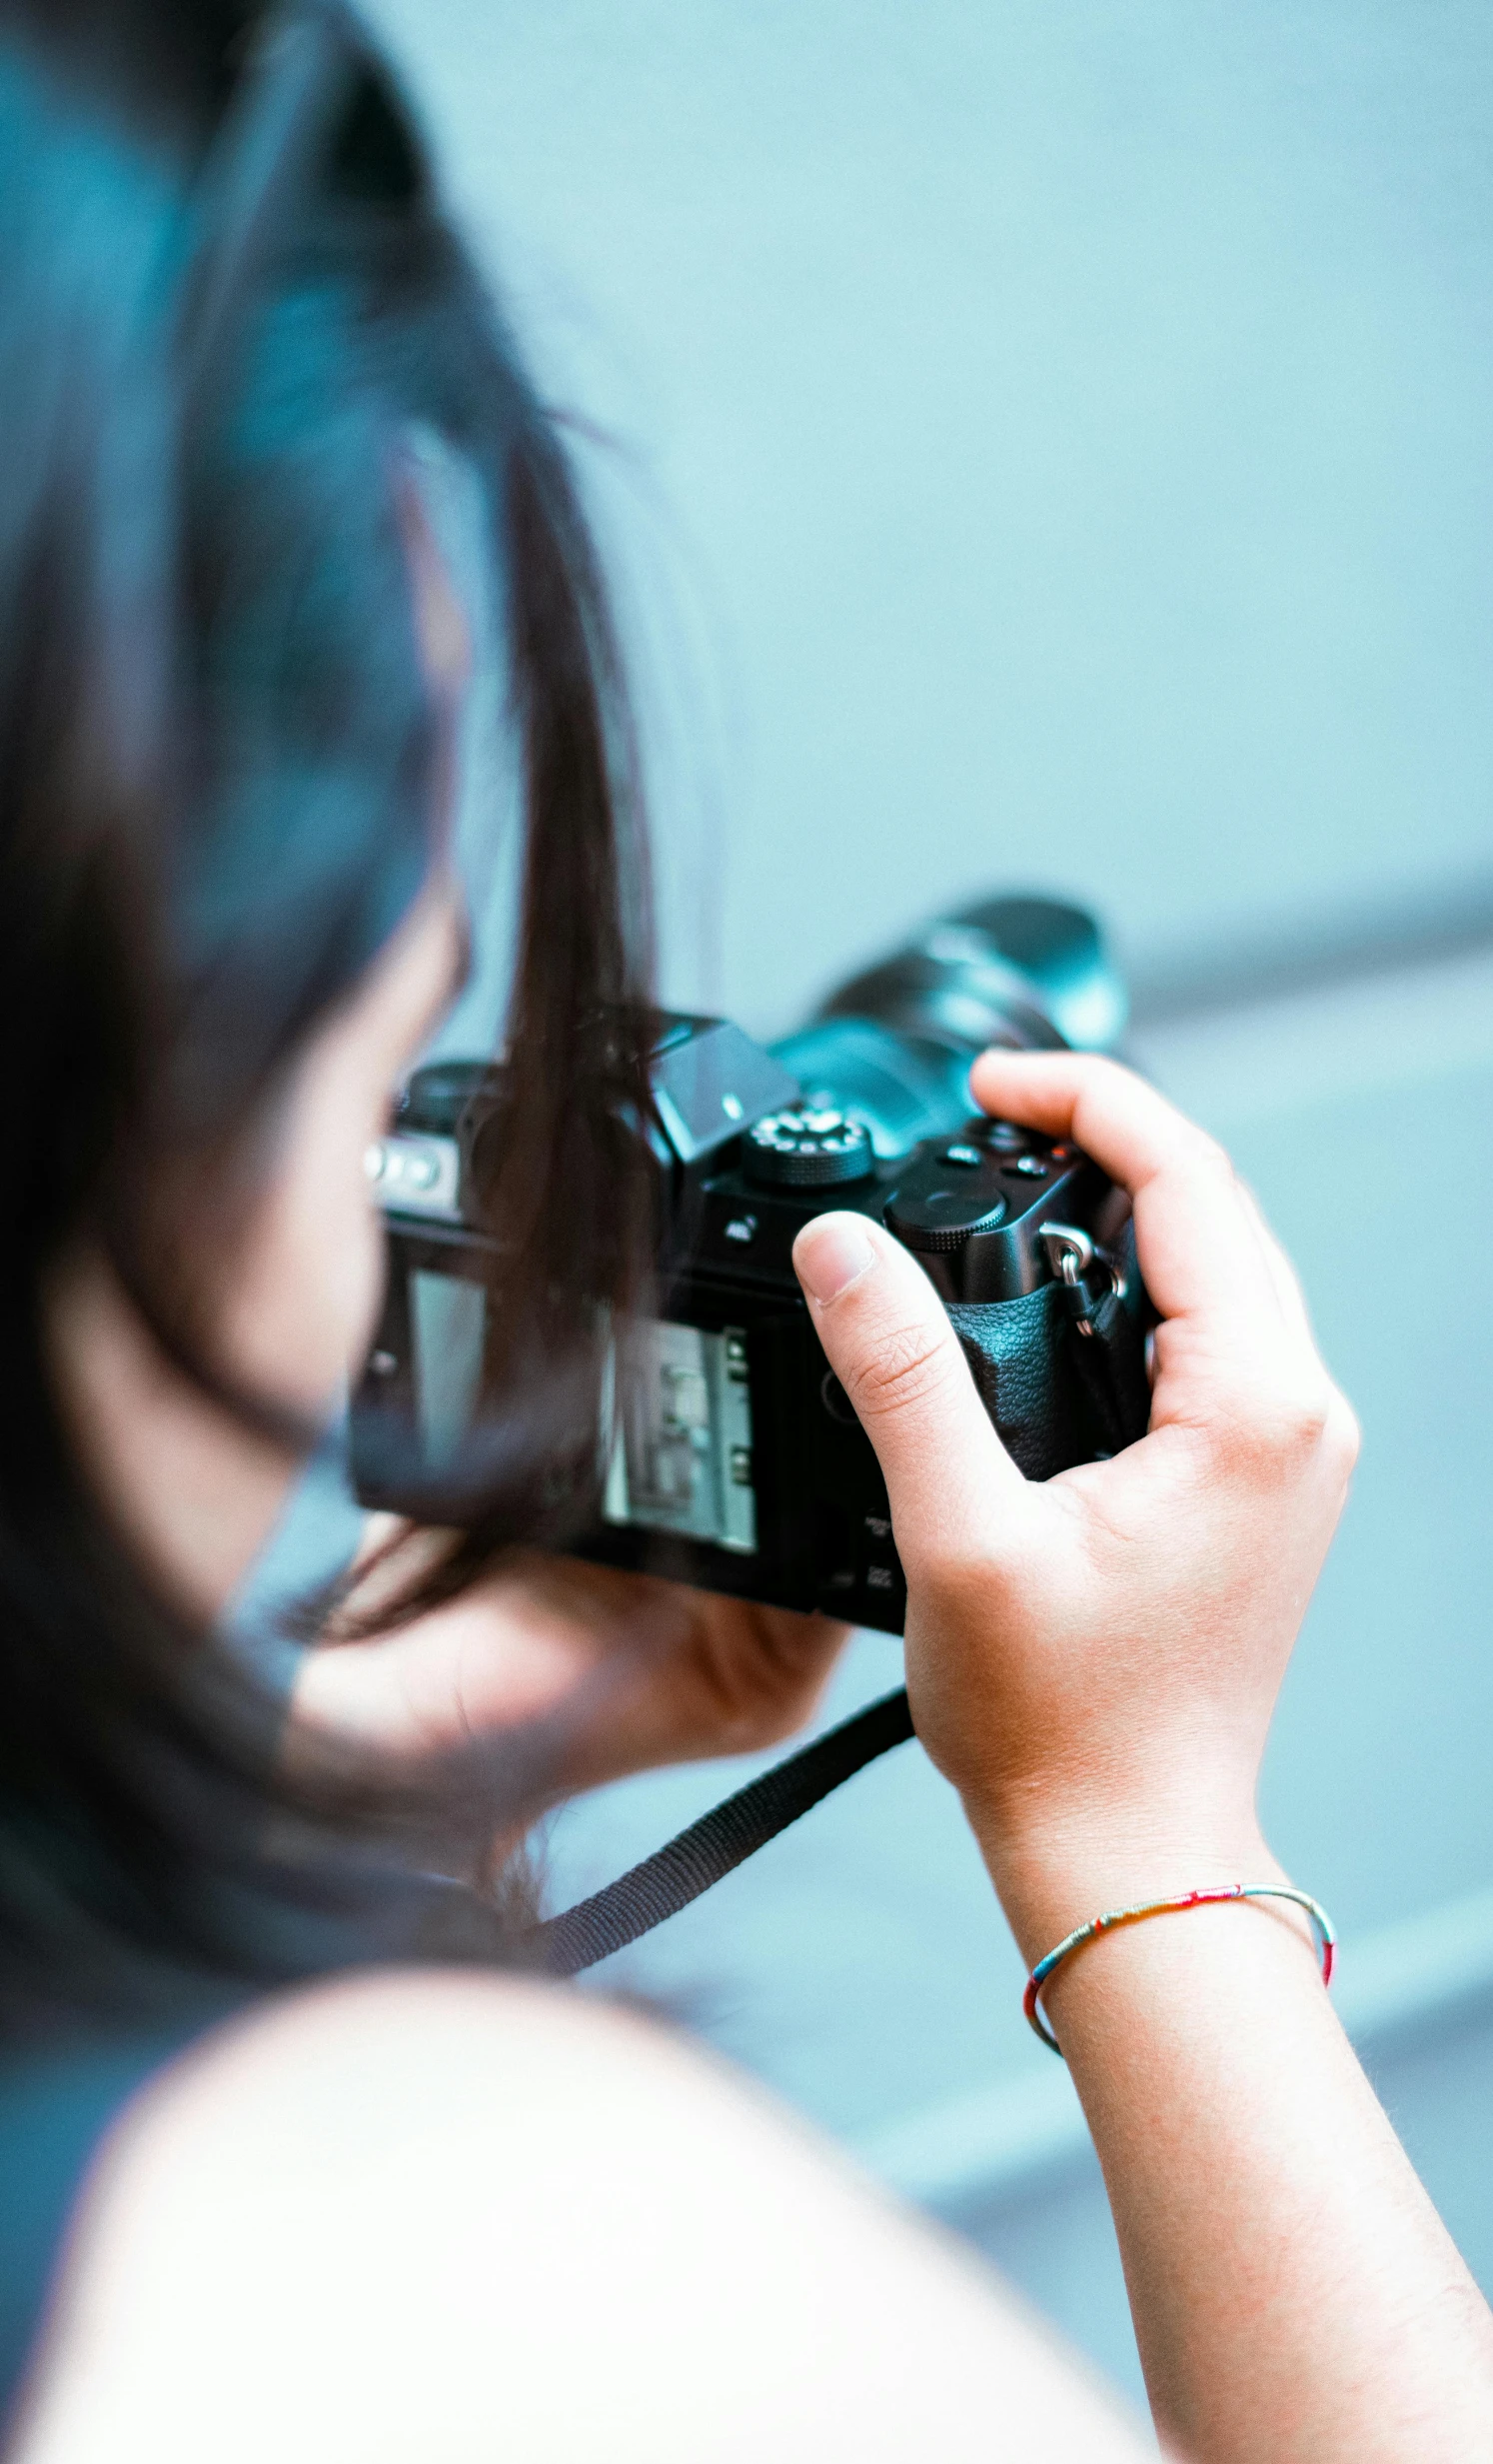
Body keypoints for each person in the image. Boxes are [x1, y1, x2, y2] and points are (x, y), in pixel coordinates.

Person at [1, 3, 1490, 2458]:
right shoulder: (523, 2289)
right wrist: (1152, 1846)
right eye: (403, 1009)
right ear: (163, 1028)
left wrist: (400, 1769)